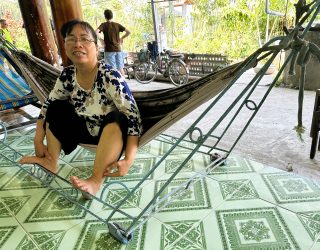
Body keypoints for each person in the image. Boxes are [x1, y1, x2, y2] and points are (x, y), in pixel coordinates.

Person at [19, 19, 142, 198]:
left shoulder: (110, 76)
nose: (78, 44)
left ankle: (95, 180)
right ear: (66, 46)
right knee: (56, 107)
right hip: (83, 129)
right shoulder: (67, 75)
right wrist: (38, 140)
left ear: (96, 46)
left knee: (118, 117)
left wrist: (129, 160)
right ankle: (51, 161)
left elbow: (133, 118)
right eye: (71, 39)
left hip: (110, 137)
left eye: (84, 39)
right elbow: (47, 106)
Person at [97, 9, 130, 75]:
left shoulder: (104, 25)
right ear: (112, 16)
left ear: (105, 17)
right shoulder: (117, 25)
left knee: (112, 69)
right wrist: (121, 38)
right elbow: (128, 32)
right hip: (118, 49)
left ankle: (115, 84)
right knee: (120, 68)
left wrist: (101, 39)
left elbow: (95, 32)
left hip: (109, 50)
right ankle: (123, 84)